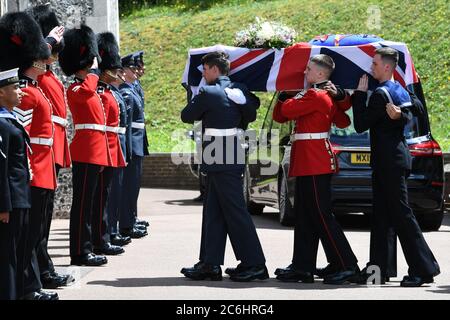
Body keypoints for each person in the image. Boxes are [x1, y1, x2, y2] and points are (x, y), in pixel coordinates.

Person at [351, 47, 440, 287]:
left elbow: (360, 124)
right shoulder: (399, 89)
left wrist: (359, 95)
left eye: (375, 64)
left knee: (402, 214)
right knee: (382, 216)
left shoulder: (381, 94)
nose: (372, 68)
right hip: (392, 160)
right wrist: (402, 114)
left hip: (389, 161)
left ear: (388, 67)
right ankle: (379, 270)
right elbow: (418, 107)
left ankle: (424, 268)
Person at [180, 51, 268, 282]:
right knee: (214, 211)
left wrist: (197, 91)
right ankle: (210, 262)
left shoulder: (208, 91)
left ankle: (255, 263)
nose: (203, 73)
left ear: (214, 69)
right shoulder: (240, 90)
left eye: (205, 70)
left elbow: (187, 115)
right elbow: (251, 111)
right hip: (232, 154)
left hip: (218, 155)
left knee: (235, 211)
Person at [272, 54, 360, 285]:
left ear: (321, 74)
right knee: (305, 215)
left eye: (309, 69)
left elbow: (288, 111)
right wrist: (285, 95)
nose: (305, 72)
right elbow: (280, 116)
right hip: (308, 158)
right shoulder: (320, 94)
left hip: (314, 160)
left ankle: (347, 264)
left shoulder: (315, 94)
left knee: (321, 214)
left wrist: (288, 94)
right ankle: (303, 265)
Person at [0, 11, 59, 300]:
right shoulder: (24, 89)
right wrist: (32, 170)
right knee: (27, 238)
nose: (47, 62)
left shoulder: (32, 88)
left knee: (33, 233)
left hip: (41, 166)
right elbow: (20, 134)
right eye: (42, 57)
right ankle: (28, 287)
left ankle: (32, 285)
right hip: (33, 168)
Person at [28, 4, 73, 289]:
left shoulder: (47, 73)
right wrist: (48, 42)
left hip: (52, 144)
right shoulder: (36, 74)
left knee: (44, 216)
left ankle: (43, 266)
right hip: (41, 148)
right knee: (38, 218)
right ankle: (40, 269)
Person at [59, 25, 109, 267]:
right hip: (84, 150)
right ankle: (79, 251)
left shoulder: (89, 89)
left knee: (88, 204)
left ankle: (85, 248)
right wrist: (94, 69)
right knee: (81, 206)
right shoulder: (76, 89)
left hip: (94, 151)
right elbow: (89, 87)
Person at [91, 32, 127, 255]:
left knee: (106, 197)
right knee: (100, 199)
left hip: (113, 148)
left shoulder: (109, 92)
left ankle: (104, 236)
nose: (117, 74)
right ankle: (101, 238)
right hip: (104, 148)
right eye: (113, 70)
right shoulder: (100, 93)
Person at [0, 68, 31, 300]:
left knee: (18, 254)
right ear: (1, 93)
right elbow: (2, 169)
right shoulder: (2, 124)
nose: (20, 92)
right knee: (8, 256)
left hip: (21, 197)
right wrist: (4, 206)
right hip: (11, 201)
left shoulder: (10, 120)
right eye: (14, 88)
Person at [118, 54, 149, 238]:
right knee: (129, 187)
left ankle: (131, 219)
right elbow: (128, 126)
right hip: (132, 142)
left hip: (137, 141)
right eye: (132, 68)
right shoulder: (127, 92)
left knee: (133, 185)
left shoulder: (132, 89)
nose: (136, 71)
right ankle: (126, 223)